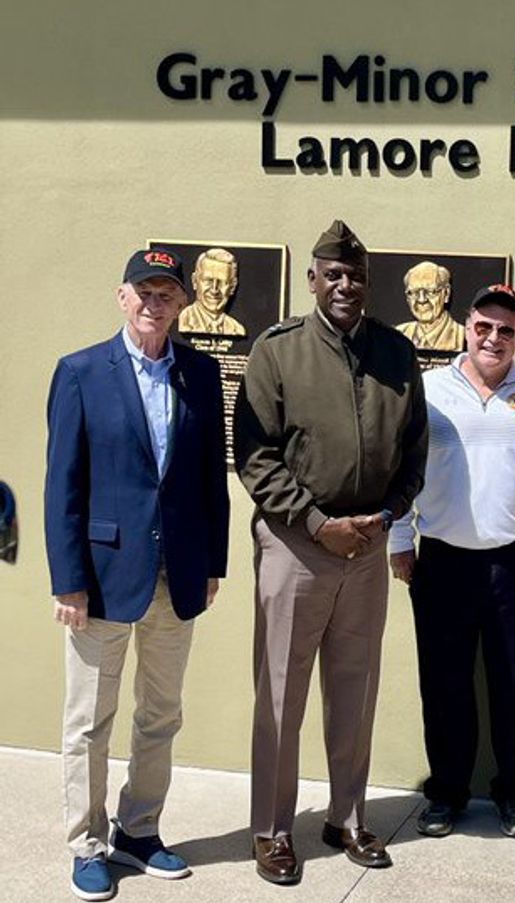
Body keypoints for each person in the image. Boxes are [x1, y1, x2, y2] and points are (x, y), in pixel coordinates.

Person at [233, 220, 428, 885]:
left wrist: (388, 514)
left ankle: (346, 816)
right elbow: (253, 457)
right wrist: (317, 523)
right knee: (281, 696)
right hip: (296, 546)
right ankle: (272, 830)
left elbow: (415, 452)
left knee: (356, 688)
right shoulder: (277, 351)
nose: (347, 285)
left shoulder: (396, 355)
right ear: (313, 279)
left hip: (367, 548)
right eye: (334, 274)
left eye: (358, 276)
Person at [44, 248, 229, 901]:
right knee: (89, 719)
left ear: (182, 304)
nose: (156, 303)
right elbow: (62, 485)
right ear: (123, 296)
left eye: (168, 294)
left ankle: (139, 829)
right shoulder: (81, 372)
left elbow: (212, 479)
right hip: (99, 577)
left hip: (175, 575)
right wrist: (67, 578)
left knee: (161, 713)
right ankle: (87, 841)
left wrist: (213, 563)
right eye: (145, 291)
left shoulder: (201, 375)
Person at [389, 284, 515, 840]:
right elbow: (404, 468)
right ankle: (446, 794)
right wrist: (401, 538)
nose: (493, 339)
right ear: (467, 327)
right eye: (483, 327)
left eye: (506, 331)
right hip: (443, 560)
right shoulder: (427, 390)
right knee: (445, 684)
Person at [394, 260, 465, 351]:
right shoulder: (398, 335)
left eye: (431, 291)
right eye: (414, 292)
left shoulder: (463, 336)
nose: (422, 300)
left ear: (446, 293)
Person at [177, 248, 247, 336]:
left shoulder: (237, 329)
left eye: (222, 282)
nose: (214, 290)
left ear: (232, 287)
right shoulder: (183, 320)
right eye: (208, 281)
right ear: (195, 281)